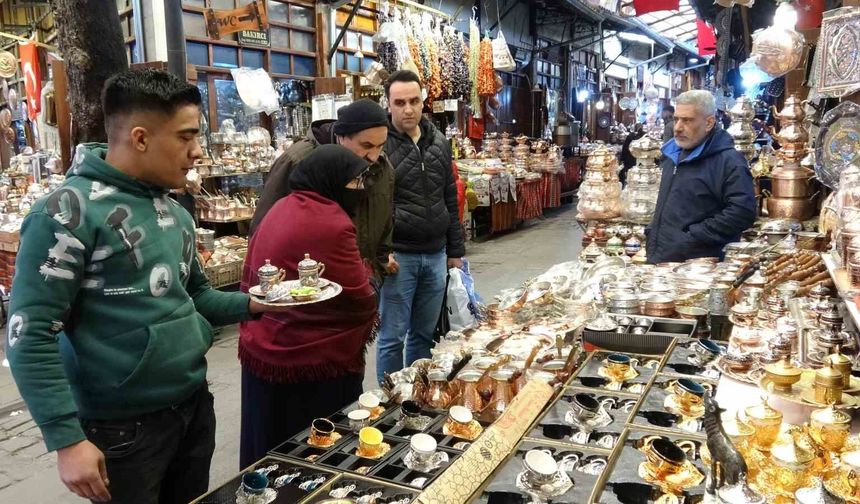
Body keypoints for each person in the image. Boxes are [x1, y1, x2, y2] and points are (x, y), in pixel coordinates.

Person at [6, 68, 274, 503]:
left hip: (192, 409)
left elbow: (195, 296)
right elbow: (29, 333)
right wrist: (66, 439)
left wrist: (255, 304)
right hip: (122, 432)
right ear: (141, 138)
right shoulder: (66, 214)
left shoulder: (176, 213)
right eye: (186, 137)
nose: (197, 152)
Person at [239, 145, 379, 467]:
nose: (361, 190)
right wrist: (372, 282)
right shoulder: (331, 221)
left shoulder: (280, 207)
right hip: (313, 365)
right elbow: (358, 299)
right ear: (330, 180)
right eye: (355, 182)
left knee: (270, 451)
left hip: (263, 352)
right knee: (314, 454)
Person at [376, 70, 465, 383]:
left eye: (414, 101)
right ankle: (389, 402)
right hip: (399, 258)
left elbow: (450, 198)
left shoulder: (439, 142)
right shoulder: (380, 146)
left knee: (424, 335)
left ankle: (417, 393)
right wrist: (381, 252)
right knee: (392, 336)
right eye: (400, 103)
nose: (408, 109)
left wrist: (455, 250)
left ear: (423, 100)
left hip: (436, 254)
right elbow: (373, 208)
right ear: (388, 104)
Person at [250, 99, 394, 278]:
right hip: (307, 287)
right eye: (366, 146)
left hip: (362, 280)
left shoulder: (381, 166)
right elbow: (263, 230)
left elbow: (385, 216)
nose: (374, 156)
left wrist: (379, 264)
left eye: (380, 146)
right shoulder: (297, 160)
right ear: (342, 137)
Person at [646, 90, 756, 264]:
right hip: (662, 260)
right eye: (676, 119)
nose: (678, 128)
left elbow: (742, 212)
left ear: (709, 123)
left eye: (687, 120)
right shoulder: (672, 157)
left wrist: (692, 237)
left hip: (698, 268)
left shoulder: (729, 162)